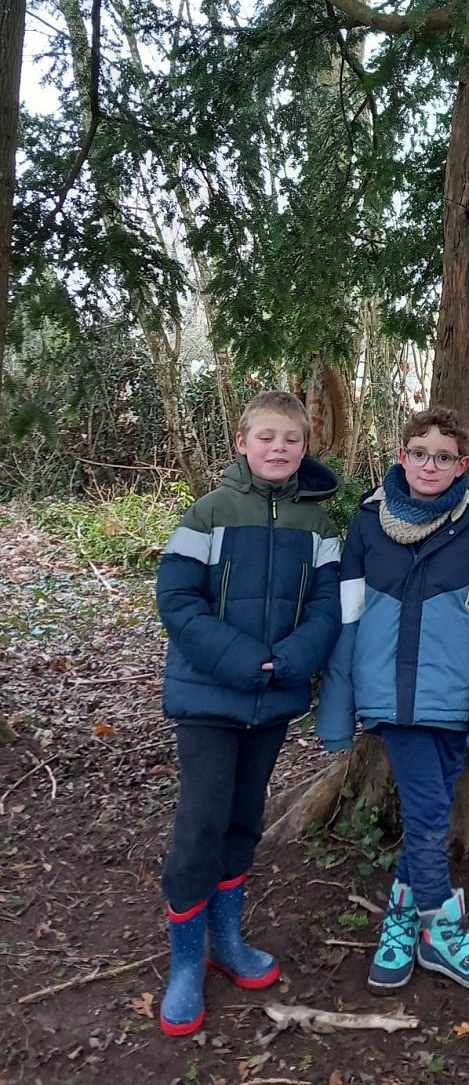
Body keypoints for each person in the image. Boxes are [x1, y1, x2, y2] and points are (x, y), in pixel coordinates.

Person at [155, 392, 342, 1037]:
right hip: (212, 696)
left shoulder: (317, 525)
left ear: (304, 447)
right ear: (242, 442)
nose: (279, 449)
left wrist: (294, 657)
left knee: (243, 819)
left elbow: (327, 605)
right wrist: (240, 659)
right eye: (267, 437)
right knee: (202, 823)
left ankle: (227, 940)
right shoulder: (208, 514)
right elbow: (178, 600)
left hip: (271, 699)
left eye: (291, 440)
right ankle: (185, 963)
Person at [317, 406, 469, 991]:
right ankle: (445, 934)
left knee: (431, 815)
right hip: (391, 700)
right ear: (401, 455)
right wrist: (335, 711)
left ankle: (402, 924)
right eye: (420, 453)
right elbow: (346, 623)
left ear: (463, 466)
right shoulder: (366, 526)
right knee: (429, 820)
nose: (431, 464)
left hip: (454, 700)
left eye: (445, 456)